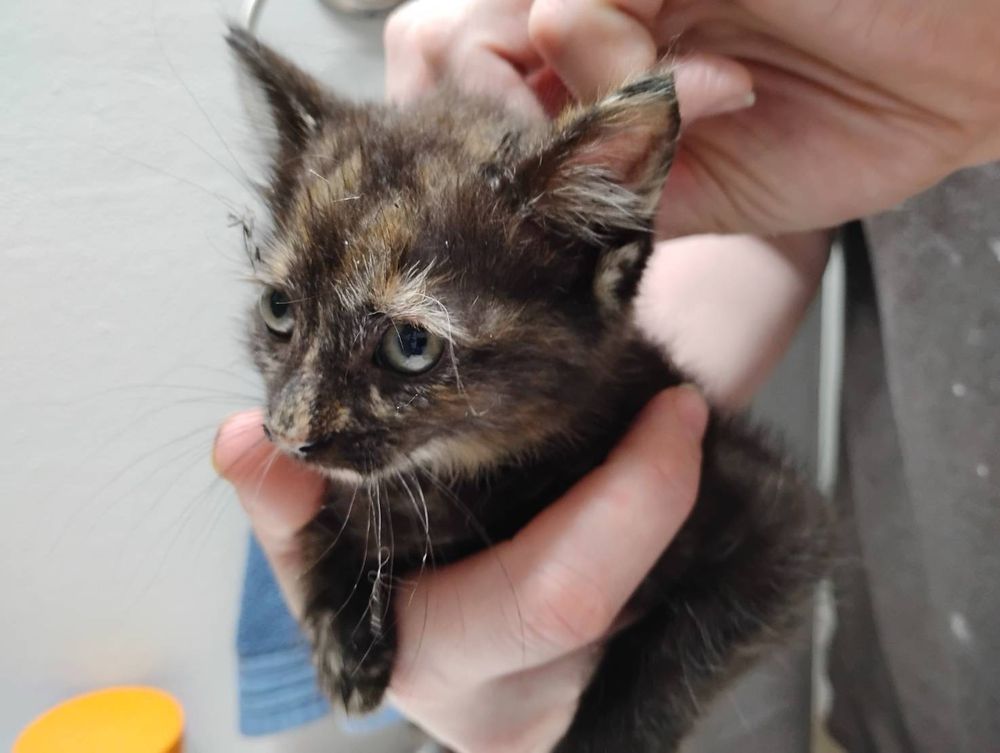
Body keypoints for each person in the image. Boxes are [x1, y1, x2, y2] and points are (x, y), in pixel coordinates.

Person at [215, 2, 1000, 751]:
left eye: (411, 345)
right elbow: (771, 219)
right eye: (282, 310)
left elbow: (779, 540)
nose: (295, 422)